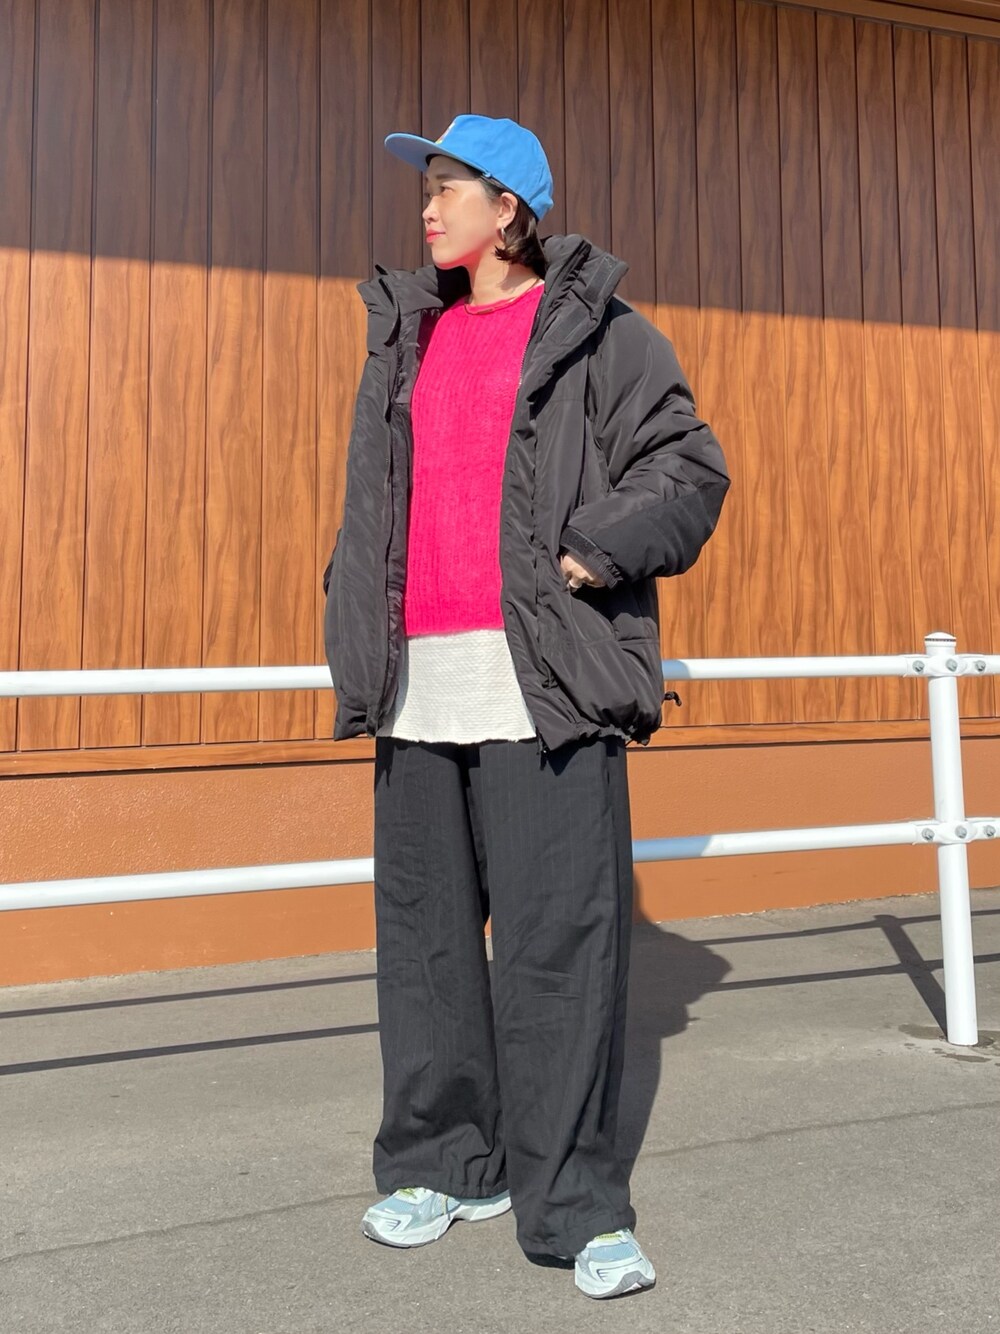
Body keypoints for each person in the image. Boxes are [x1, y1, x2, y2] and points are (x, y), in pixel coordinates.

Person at [322, 114, 729, 1300]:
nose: (426, 208)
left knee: (556, 952)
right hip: (416, 688)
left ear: (509, 209)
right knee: (428, 949)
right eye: (425, 189)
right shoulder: (408, 334)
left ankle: (575, 1203)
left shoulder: (599, 331)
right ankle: (445, 1161)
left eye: (447, 188)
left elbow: (686, 466)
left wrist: (596, 548)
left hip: (544, 683)